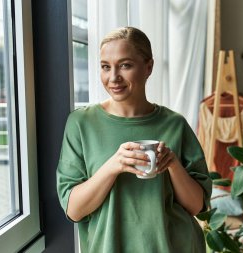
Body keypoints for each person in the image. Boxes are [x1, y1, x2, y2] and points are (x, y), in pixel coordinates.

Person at [56, 26, 212, 253]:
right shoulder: (81, 123)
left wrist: (173, 164)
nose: (113, 77)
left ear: (148, 67)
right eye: (105, 67)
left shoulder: (174, 124)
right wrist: (113, 166)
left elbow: (197, 206)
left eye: (125, 65)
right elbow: (74, 210)